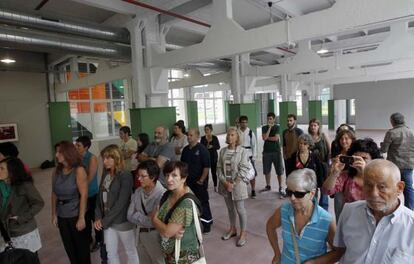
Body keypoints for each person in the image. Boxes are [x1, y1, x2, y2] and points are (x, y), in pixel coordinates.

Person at [334, 159, 414, 263]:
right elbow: (340, 251)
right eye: (368, 185)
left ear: (399, 188)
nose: (374, 194)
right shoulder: (349, 211)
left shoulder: (411, 226)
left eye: (382, 187)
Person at [266, 169, 343, 264]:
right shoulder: (284, 210)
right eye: (290, 192)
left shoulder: (326, 220)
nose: (293, 198)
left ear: (312, 194)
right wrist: (277, 254)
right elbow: (270, 226)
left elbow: (338, 252)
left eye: (299, 194)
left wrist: (314, 262)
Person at [94, 144, 138, 264]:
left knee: (130, 251)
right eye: (104, 158)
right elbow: (99, 199)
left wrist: (104, 221)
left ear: (117, 158)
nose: (105, 161)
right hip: (107, 221)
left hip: (122, 220)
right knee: (111, 253)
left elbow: (122, 203)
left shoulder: (125, 175)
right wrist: (98, 217)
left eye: (109, 158)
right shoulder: (105, 174)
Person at [152, 161, 202, 264]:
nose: (169, 179)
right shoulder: (168, 194)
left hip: (184, 255)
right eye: (167, 175)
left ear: (183, 178)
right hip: (170, 253)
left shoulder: (186, 203)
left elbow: (167, 232)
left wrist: (154, 219)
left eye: (174, 175)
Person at [323, 138, 382, 218]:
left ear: (373, 159)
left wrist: (365, 173)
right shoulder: (346, 176)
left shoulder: (381, 176)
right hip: (350, 219)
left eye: (364, 158)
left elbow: (381, 197)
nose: (359, 161)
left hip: (374, 218)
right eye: (356, 158)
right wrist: (335, 172)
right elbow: (327, 191)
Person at [52, 141, 90, 264]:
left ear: (67, 153)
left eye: (59, 152)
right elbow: (54, 194)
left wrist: (82, 217)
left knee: (81, 249)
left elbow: (84, 195)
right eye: (56, 152)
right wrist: (54, 214)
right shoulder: (56, 171)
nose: (56, 155)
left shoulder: (78, 170)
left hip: (75, 214)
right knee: (69, 248)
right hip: (62, 215)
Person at [0, 157, 44, 254]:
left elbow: (39, 203)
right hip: (6, 233)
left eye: (2, 168)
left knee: (28, 259)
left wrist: (21, 218)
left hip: (23, 230)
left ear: (11, 171)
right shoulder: (1, 186)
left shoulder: (25, 185)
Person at [217, 127, 250, 247]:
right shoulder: (222, 151)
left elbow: (244, 168)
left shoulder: (243, 151)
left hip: (238, 185)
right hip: (225, 185)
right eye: (228, 135)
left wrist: (233, 183)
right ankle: (232, 229)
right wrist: (225, 183)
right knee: (230, 209)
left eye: (232, 135)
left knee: (240, 210)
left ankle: (243, 233)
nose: (229, 137)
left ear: (237, 137)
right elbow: (219, 168)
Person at [127, 160, 166, 264]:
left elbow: (153, 221)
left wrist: (138, 215)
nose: (139, 179)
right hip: (139, 234)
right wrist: (147, 217)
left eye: (143, 176)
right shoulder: (138, 191)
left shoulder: (162, 195)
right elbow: (129, 215)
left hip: (154, 236)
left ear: (152, 177)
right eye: (138, 176)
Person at [181, 128, 213, 233]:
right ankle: (192, 223)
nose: (189, 137)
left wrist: (201, 180)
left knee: (202, 202)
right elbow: (182, 166)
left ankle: (207, 223)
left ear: (197, 136)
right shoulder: (185, 150)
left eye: (191, 135)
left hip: (199, 183)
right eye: (188, 135)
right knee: (190, 202)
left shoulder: (202, 150)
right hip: (188, 182)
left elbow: (206, 167)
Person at [380, 112, 414, 210]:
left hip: (394, 166)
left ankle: (392, 207)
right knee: (409, 189)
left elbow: (383, 150)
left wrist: (382, 145)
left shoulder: (391, 133)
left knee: (391, 186)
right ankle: (410, 210)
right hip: (408, 165)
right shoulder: (411, 132)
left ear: (392, 121)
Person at [74, 136, 102, 252]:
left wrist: (79, 188)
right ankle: (88, 240)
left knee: (94, 218)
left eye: (78, 145)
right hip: (81, 194)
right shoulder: (76, 159)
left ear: (86, 147)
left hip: (92, 194)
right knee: (83, 217)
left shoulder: (92, 158)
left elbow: (90, 178)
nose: (76, 147)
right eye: (76, 145)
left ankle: (99, 241)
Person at [285, 134, 327, 210]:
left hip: (311, 185)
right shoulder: (294, 156)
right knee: (299, 204)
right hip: (298, 186)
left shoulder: (314, 156)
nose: (302, 145)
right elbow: (289, 171)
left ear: (309, 145)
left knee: (312, 204)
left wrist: (319, 184)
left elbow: (319, 171)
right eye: (300, 143)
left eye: (305, 144)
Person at [330, 128, 356, 220]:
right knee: (339, 211)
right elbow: (332, 172)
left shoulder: (357, 154)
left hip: (353, 187)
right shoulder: (337, 154)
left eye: (346, 138)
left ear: (352, 139)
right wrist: (334, 165)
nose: (343, 141)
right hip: (339, 188)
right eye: (341, 139)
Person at [308, 118, 330, 209]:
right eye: (312, 125)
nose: (313, 127)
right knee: (313, 187)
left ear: (318, 126)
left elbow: (329, 150)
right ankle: (315, 208)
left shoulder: (323, 136)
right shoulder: (308, 137)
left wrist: (329, 164)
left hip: (323, 166)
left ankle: (324, 209)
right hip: (313, 167)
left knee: (324, 187)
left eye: (315, 125)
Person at [261, 112, 285, 197]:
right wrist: (269, 128)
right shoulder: (264, 127)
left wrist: (268, 138)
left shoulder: (277, 127)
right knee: (267, 170)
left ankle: (280, 187)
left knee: (279, 170)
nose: (269, 120)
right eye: (268, 119)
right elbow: (264, 138)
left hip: (276, 151)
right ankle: (268, 185)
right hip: (266, 152)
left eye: (271, 119)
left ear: (274, 119)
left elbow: (276, 138)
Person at [238, 115, 258, 199]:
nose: (244, 124)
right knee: (239, 173)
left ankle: (253, 190)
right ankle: (241, 190)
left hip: (248, 155)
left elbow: (254, 145)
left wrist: (254, 156)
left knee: (252, 174)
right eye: (242, 122)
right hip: (239, 155)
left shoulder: (250, 132)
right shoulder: (237, 132)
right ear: (239, 123)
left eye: (246, 122)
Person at [200, 124, 220, 192]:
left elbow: (218, 146)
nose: (206, 131)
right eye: (205, 130)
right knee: (206, 172)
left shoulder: (214, 137)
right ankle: (206, 186)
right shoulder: (202, 138)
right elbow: (201, 148)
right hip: (205, 157)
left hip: (213, 157)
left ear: (211, 130)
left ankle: (215, 185)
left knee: (214, 172)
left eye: (207, 129)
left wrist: (212, 147)